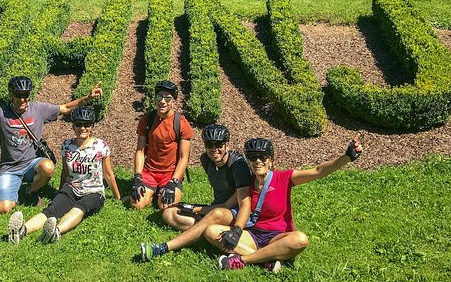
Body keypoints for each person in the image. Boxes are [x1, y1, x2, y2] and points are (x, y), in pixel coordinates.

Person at [0, 76, 103, 214]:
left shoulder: (38, 109)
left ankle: (30, 191)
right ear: (11, 95)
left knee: (48, 167)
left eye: (26, 95)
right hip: (10, 168)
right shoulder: (0, 114)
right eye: (18, 95)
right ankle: (13, 192)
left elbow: (65, 108)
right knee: (4, 209)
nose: (22, 99)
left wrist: (87, 98)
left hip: (32, 164)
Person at [207, 137, 363, 273]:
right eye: (253, 157)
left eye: (263, 157)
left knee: (300, 239)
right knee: (212, 231)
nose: (258, 161)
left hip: (278, 236)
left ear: (271, 160)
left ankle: (243, 260)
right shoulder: (246, 183)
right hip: (253, 234)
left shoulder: (285, 178)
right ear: (248, 160)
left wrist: (347, 157)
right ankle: (267, 260)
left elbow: (318, 171)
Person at [8, 106, 121, 244]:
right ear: (73, 126)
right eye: (79, 124)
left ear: (92, 127)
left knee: (79, 208)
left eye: (87, 125)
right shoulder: (67, 146)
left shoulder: (100, 146)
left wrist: (118, 197)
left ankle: (56, 232)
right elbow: (65, 172)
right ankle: (21, 231)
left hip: (93, 192)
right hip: (71, 188)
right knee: (51, 210)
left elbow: (108, 174)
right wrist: (61, 190)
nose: (83, 128)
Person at [140, 124, 252, 261]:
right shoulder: (206, 160)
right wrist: (195, 210)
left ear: (226, 145)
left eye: (218, 144)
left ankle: (163, 248)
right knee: (169, 213)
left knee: (213, 214)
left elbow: (230, 205)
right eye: (209, 145)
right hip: (216, 210)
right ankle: (210, 236)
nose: (214, 149)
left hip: (234, 212)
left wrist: (197, 209)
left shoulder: (238, 166)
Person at [128, 80, 192, 212]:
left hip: (170, 173)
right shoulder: (147, 119)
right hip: (149, 171)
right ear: (155, 98)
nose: (162, 101)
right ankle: (153, 194)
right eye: (159, 97)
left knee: (166, 207)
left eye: (167, 98)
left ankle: (159, 193)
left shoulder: (181, 123)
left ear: (173, 101)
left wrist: (173, 182)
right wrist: (137, 177)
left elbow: (183, 157)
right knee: (136, 205)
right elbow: (140, 151)